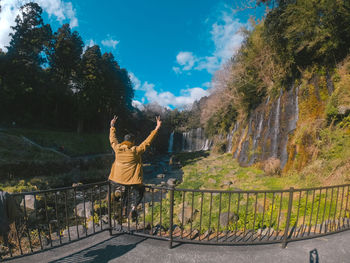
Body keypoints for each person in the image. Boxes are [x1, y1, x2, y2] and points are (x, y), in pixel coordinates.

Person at [108, 115, 162, 222]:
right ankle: (133, 208)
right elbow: (147, 141)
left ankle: (124, 208)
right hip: (132, 180)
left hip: (117, 179)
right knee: (140, 191)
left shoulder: (118, 148)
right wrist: (157, 127)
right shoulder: (136, 150)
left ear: (124, 141)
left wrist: (112, 126)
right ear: (132, 142)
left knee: (126, 192)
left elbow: (112, 139)